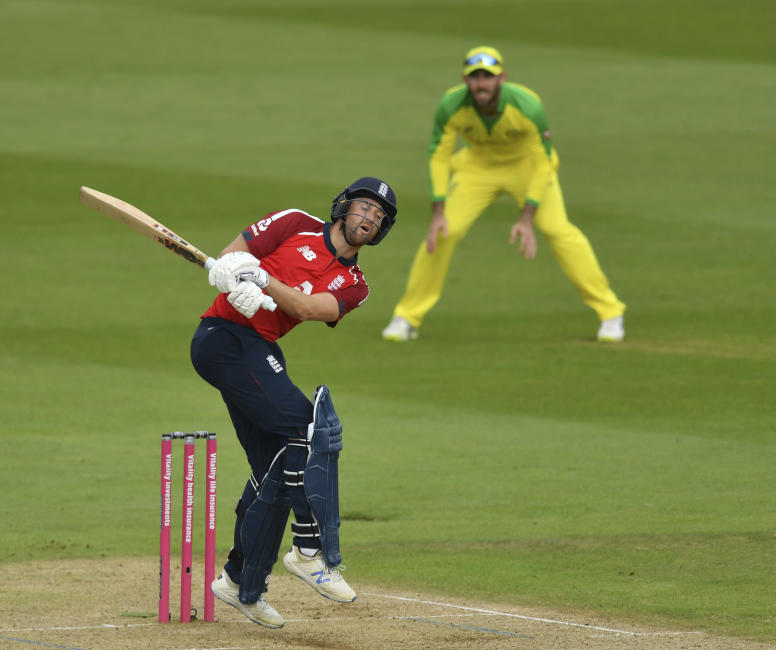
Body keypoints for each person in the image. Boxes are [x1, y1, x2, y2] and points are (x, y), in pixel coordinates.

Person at [190, 177, 398, 628]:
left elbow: (308, 309)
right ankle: (309, 550)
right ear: (344, 206)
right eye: (364, 208)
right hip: (222, 338)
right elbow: (232, 254)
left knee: (277, 470)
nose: (369, 219)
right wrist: (229, 277)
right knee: (310, 429)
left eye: (379, 217)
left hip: (259, 347)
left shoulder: (356, 285)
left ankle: (240, 582)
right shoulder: (294, 223)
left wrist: (264, 283)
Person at [381, 45, 626, 343]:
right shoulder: (452, 105)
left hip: (526, 167)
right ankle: (406, 316)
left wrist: (527, 216)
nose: (481, 83)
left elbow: (543, 161)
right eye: (475, 77)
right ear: (465, 79)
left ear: (502, 78)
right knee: (444, 232)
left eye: (488, 76)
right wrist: (438, 212)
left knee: (557, 230)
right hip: (477, 167)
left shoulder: (526, 106)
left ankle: (610, 312)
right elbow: (439, 156)